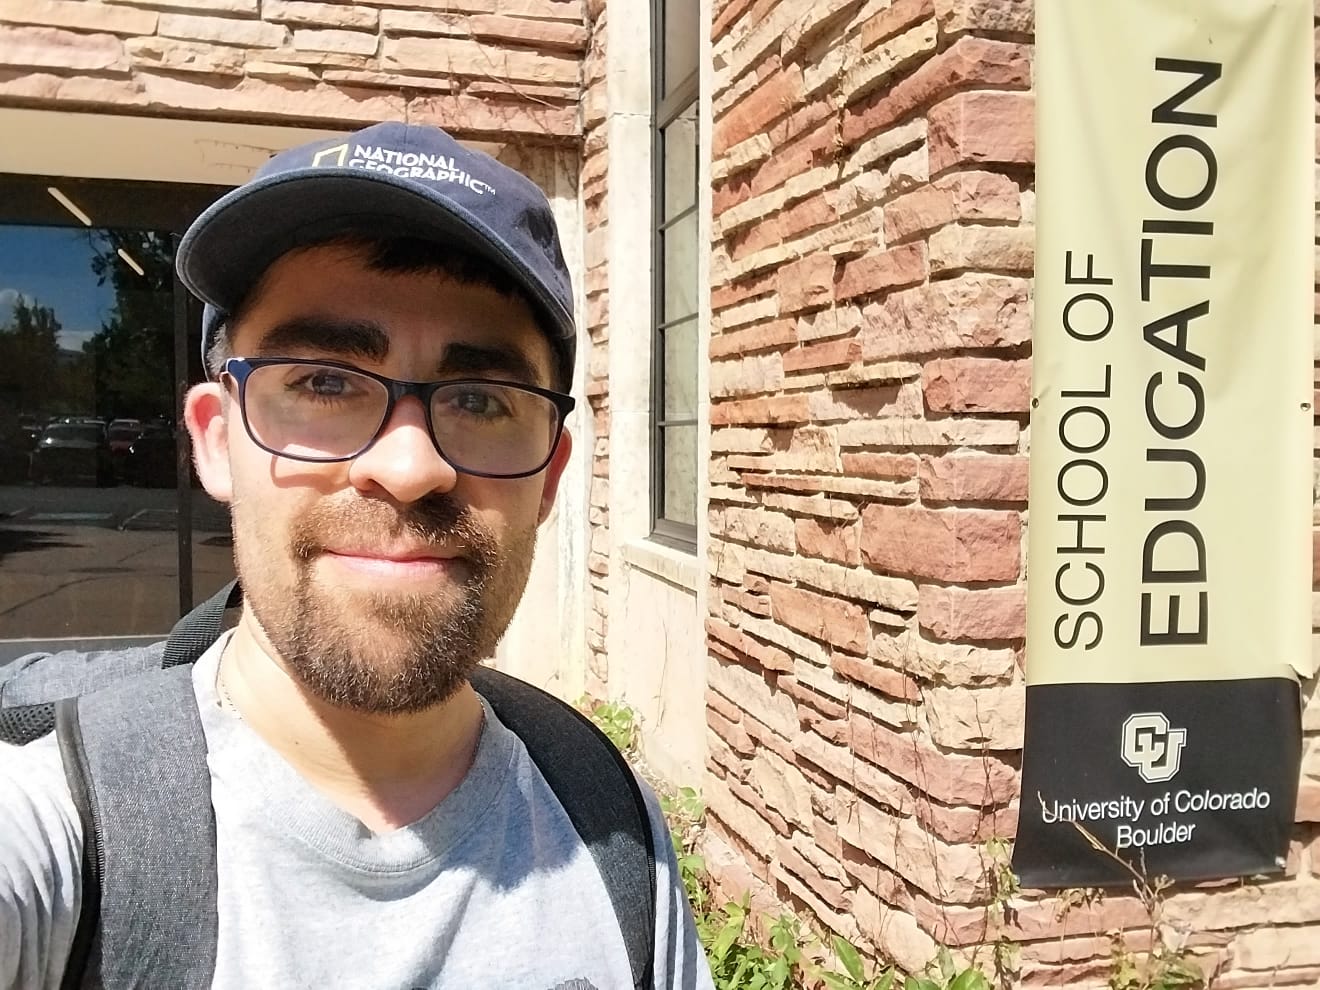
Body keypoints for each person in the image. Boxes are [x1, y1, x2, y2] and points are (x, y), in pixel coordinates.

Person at [0, 121, 713, 990]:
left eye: (483, 399)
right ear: (217, 443)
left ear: (552, 479)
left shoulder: (615, 830)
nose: (410, 468)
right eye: (325, 383)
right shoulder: (53, 831)